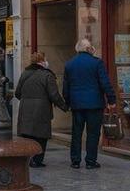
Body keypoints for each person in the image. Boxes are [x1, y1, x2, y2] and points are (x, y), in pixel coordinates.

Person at [63, 39, 117, 170]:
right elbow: (105, 83)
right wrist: (111, 100)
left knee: (76, 133)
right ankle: (90, 161)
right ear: (88, 49)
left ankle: (75, 161)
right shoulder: (97, 63)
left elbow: (66, 87)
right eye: (91, 47)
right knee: (93, 133)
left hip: (77, 105)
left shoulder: (69, 64)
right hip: (94, 104)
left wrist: (68, 102)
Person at [15, 51, 68, 167]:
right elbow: (54, 95)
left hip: (25, 110)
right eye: (45, 59)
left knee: (28, 135)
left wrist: (27, 100)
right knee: (41, 136)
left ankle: (28, 158)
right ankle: (37, 160)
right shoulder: (47, 75)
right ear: (42, 61)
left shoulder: (25, 74)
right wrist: (64, 106)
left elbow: (17, 93)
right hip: (41, 110)